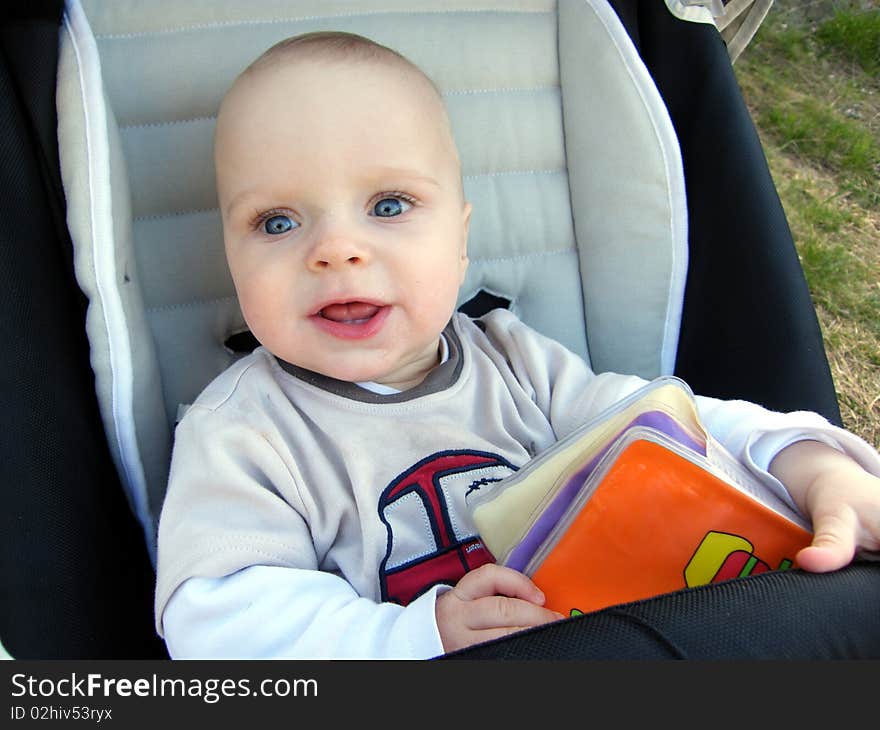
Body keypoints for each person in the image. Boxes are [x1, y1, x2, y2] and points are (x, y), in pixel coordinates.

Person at [155, 31, 880, 659]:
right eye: (277, 222)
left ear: (462, 241)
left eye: (389, 206)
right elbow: (216, 619)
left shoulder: (515, 362)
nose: (337, 249)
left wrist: (808, 464)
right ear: (230, 256)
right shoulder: (243, 432)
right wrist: (419, 636)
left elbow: (668, 427)